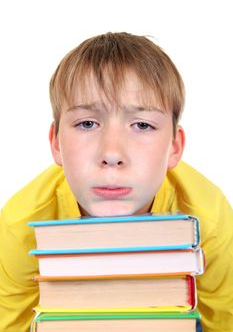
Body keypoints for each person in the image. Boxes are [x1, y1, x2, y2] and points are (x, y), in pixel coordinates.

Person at [0, 32, 232, 332]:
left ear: (174, 147)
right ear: (56, 142)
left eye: (142, 125)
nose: (111, 153)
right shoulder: (20, 226)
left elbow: (223, 322)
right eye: (87, 123)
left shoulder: (208, 219)